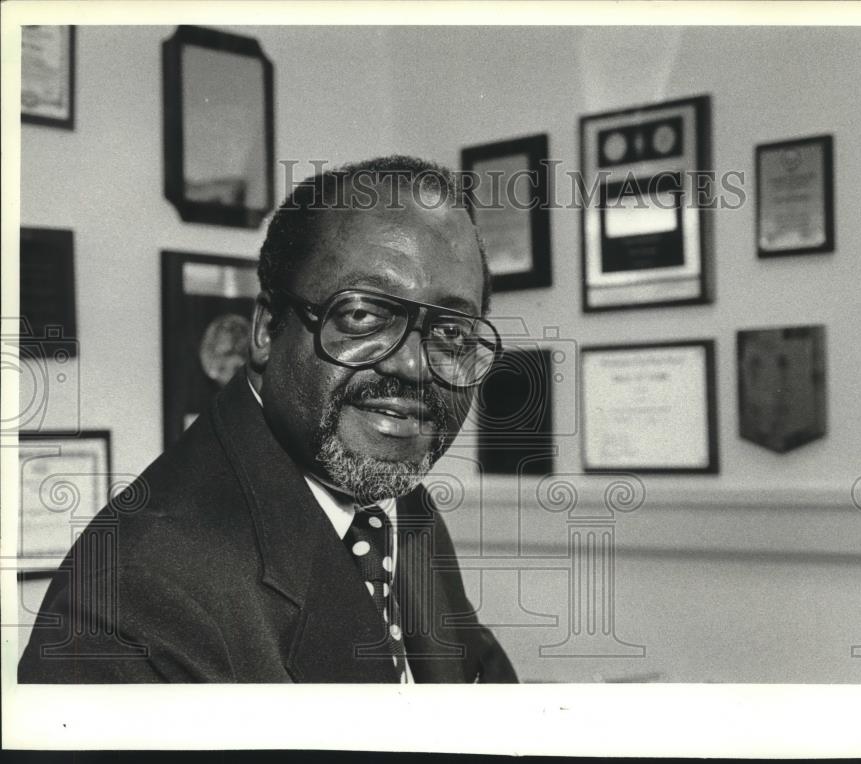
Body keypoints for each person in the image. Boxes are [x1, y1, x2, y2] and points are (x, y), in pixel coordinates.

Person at [18, 156, 518, 683]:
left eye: (453, 333)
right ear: (265, 331)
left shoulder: (398, 507)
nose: (413, 365)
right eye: (363, 315)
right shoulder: (130, 601)